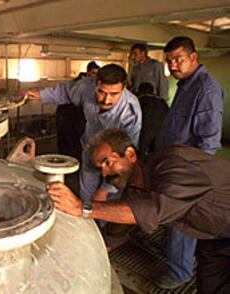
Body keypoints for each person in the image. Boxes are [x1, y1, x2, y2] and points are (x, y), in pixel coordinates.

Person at [47, 128, 230, 294]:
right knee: (211, 286)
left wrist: (81, 207)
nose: (104, 174)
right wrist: (80, 256)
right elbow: (117, 231)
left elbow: (152, 209)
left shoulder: (171, 163)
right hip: (213, 237)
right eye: (100, 168)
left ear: (130, 154)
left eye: (107, 162)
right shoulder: (135, 191)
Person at [155, 36, 224, 289]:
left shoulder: (206, 89)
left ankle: (180, 273)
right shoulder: (185, 84)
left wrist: (193, 180)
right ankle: (174, 255)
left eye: (178, 59)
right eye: (169, 61)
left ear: (193, 57)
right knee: (173, 219)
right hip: (173, 163)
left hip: (189, 170)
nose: (173, 65)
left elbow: (209, 142)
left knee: (184, 220)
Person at [27, 64, 141, 203]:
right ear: (95, 84)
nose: (106, 100)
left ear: (124, 88)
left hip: (115, 161)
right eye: (101, 92)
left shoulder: (131, 113)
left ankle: (103, 224)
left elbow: (126, 160)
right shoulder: (86, 87)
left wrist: (105, 189)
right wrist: (39, 95)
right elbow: (65, 92)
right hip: (90, 148)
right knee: (87, 194)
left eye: (114, 94)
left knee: (108, 199)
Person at [55, 61, 100, 163]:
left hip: (76, 120)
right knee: (69, 144)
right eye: (93, 73)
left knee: (75, 145)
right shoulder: (79, 85)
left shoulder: (93, 86)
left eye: (97, 74)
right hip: (69, 118)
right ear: (88, 72)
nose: (95, 76)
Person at [136, 83, 169, 155]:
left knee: (141, 153)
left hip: (144, 130)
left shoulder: (137, 100)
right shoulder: (161, 101)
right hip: (160, 129)